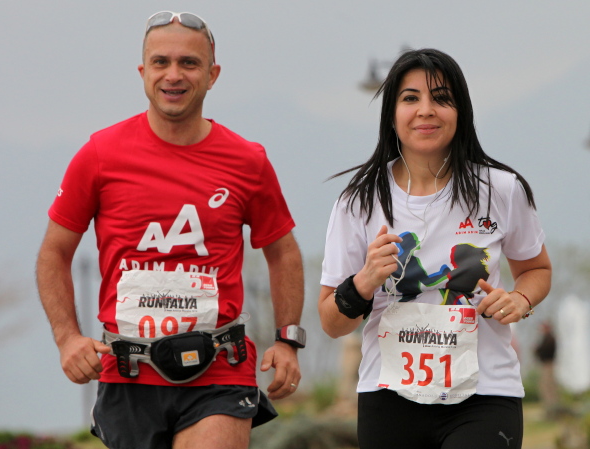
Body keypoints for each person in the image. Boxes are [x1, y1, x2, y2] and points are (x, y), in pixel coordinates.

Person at [36, 11, 305, 449]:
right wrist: (67, 338)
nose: (173, 75)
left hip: (220, 369)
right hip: (129, 371)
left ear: (212, 75)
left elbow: (283, 252)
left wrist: (288, 339)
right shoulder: (100, 154)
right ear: (143, 72)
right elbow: (54, 253)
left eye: (189, 63)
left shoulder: (247, 161)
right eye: (161, 62)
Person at [318, 48, 551, 449]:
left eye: (441, 98)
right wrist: (363, 282)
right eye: (410, 98)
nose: (426, 110)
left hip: (484, 393)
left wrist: (520, 299)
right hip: (388, 396)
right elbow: (331, 323)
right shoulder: (358, 201)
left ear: (461, 112)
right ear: (392, 114)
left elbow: (537, 270)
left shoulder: (502, 190)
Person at [534, 321, 558, 417]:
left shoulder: (550, 339)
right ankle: (549, 407)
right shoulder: (547, 338)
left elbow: (544, 351)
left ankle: (552, 408)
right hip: (545, 364)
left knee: (548, 386)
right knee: (546, 386)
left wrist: (537, 350)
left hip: (548, 364)